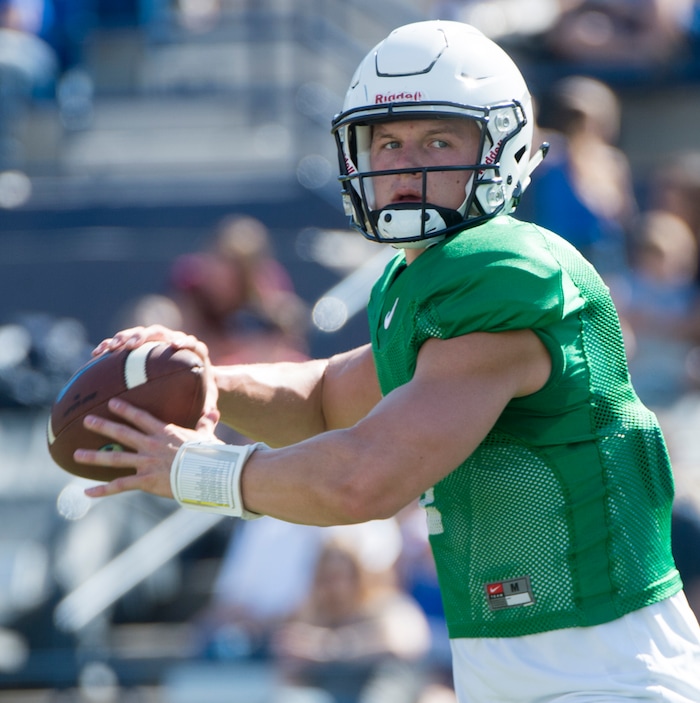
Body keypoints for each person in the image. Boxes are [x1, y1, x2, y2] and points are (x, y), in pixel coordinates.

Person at [71, 20, 700, 702]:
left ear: (503, 147)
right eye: (388, 141)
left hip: (608, 675)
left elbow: (364, 480)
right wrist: (197, 380)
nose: (404, 164)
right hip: (529, 675)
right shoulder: (422, 283)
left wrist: (193, 469)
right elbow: (325, 398)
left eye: (437, 139)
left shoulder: (504, 271)